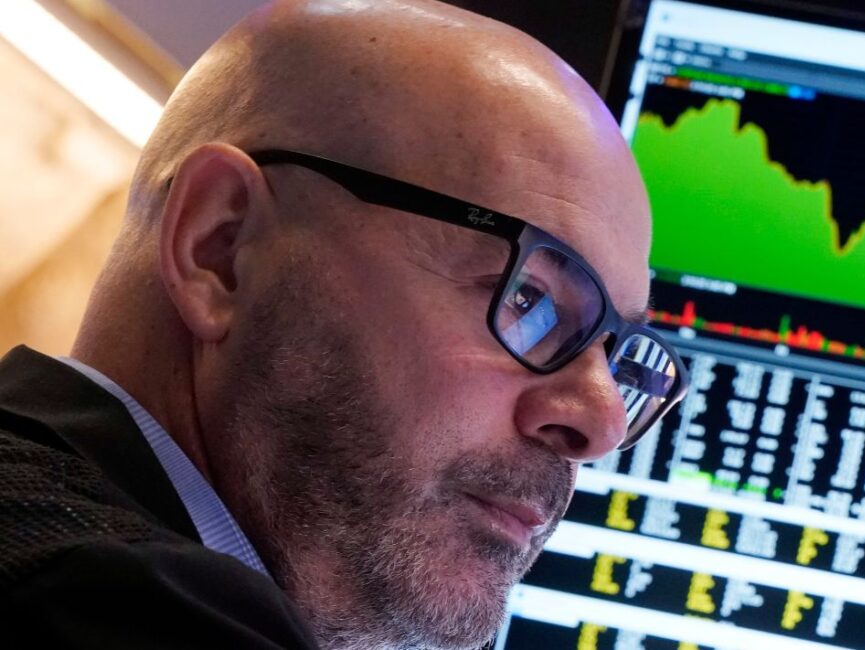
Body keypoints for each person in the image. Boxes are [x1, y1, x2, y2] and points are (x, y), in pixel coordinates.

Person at [0, 0, 687, 648]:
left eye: (621, 356)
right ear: (222, 247)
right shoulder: (107, 603)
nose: (602, 425)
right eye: (527, 298)